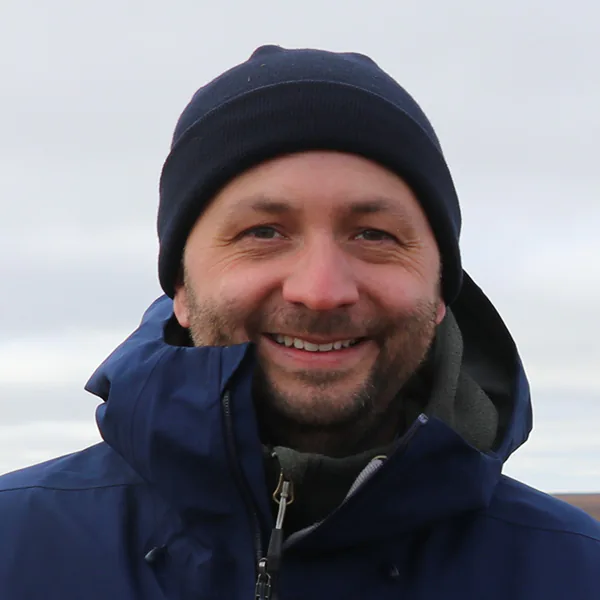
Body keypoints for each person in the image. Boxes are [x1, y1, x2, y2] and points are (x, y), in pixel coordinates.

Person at [0, 45, 598, 600]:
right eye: (264, 231)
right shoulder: (15, 547)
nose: (321, 291)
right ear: (180, 287)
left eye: (374, 234)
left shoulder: (576, 571)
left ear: (441, 289)